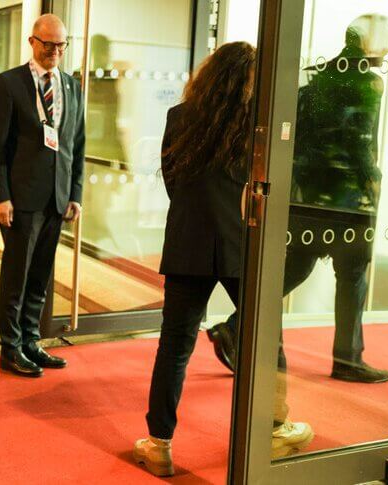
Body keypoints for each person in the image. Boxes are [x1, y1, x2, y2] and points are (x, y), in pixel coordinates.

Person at [133, 42, 313, 477]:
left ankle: (159, 443)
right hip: (241, 246)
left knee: (174, 347)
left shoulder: (179, 118)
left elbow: (173, 180)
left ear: (210, 76)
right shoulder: (259, 124)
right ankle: (274, 426)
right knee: (268, 337)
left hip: (187, 244)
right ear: (250, 80)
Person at [207, 14, 388, 384]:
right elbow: (360, 143)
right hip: (347, 201)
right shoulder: (368, 83)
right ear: (369, 44)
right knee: (353, 274)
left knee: (296, 268)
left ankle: (233, 327)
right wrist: (372, 180)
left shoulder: (316, 75)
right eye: (384, 40)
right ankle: (348, 358)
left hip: (307, 197)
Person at [0, 14, 85, 378]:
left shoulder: (72, 87)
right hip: (22, 199)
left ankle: (31, 340)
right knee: (17, 275)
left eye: (61, 46)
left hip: (57, 199)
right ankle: (10, 348)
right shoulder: (9, 84)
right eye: (49, 45)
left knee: (40, 274)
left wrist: (75, 192)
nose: (55, 52)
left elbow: (77, 143)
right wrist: (1, 196)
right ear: (32, 42)